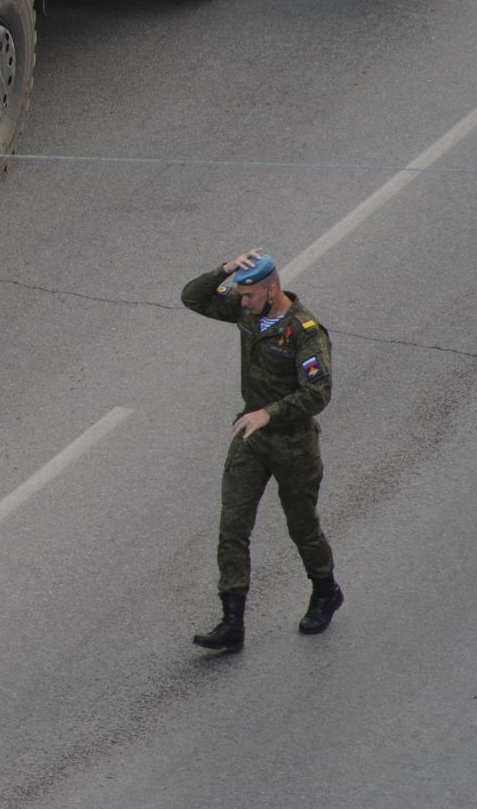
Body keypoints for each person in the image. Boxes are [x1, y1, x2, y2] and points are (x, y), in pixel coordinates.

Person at [180, 250, 342, 653]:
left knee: (302, 527)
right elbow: (193, 298)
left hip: (293, 444)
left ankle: (325, 589)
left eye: (249, 294)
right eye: (241, 293)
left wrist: (269, 413)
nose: (242, 302)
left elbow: (318, 393)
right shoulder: (249, 311)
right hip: (251, 440)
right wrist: (225, 268)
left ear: (272, 291)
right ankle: (232, 621)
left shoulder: (305, 331)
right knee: (232, 528)